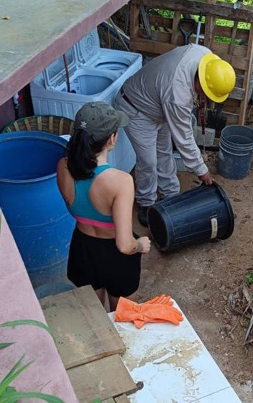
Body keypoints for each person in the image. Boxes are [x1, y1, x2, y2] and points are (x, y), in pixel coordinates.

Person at [116, 45, 236, 226]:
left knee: (164, 151)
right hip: (136, 108)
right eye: (206, 93)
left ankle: (170, 194)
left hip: (158, 104)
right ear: (200, 82)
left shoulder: (205, 56)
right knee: (148, 161)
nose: (206, 97)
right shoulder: (177, 93)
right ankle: (146, 203)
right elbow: (184, 138)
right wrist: (201, 170)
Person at [57, 102, 151, 311]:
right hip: (116, 258)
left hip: (82, 249)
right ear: (111, 139)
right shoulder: (121, 181)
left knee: (96, 320)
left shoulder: (63, 166)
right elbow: (125, 245)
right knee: (122, 319)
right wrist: (141, 244)